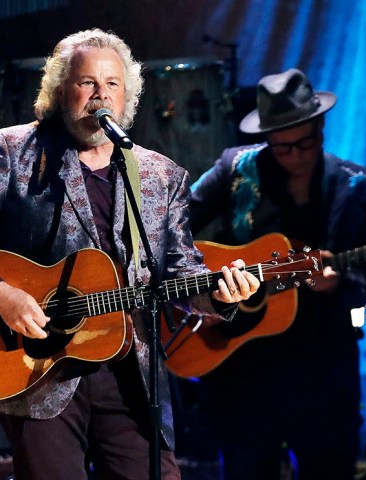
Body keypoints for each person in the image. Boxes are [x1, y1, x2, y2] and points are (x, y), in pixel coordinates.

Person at [0, 28, 259, 480]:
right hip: (36, 369)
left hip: (130, 370)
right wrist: (3, 295)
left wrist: (221, 297)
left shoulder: (161, 175)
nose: (101, 95)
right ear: (61, 90)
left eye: (112, 84)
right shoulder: (11, 152)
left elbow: (182, 272)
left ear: (127, 96)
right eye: (87, 83)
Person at [189, 68, 366, 479]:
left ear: (321, 125)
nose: (295, 155)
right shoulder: (235, 169)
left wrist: (341, 285)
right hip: (242, 368)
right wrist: (206, 294)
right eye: (281, 148)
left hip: (324, 370)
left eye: (305, 143)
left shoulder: (362, 188)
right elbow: (171, 229)